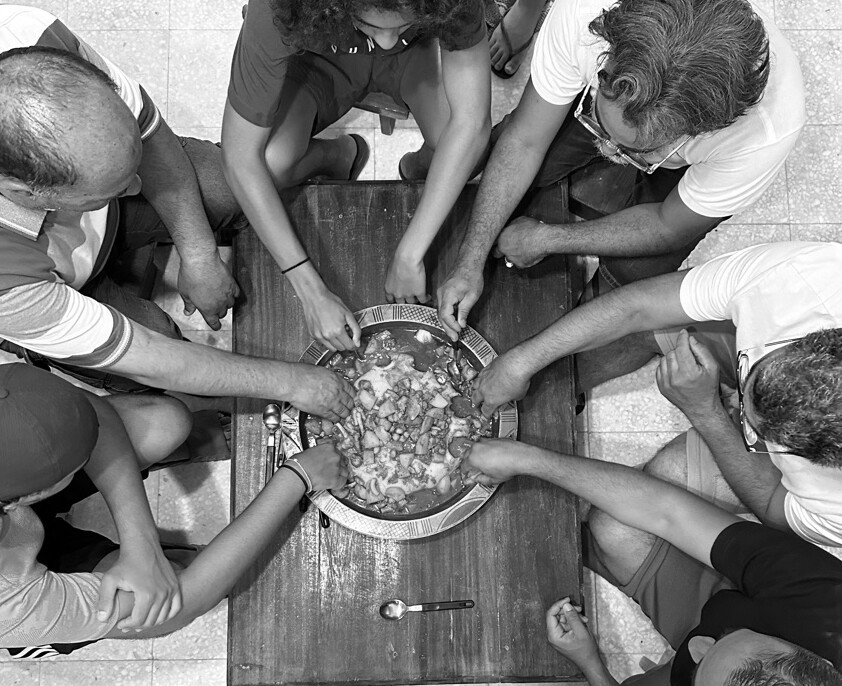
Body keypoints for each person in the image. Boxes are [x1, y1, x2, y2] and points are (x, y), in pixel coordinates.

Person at [0, 38, 352, 420]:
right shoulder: (6, 284)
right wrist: (296, 384)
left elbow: (150, 133)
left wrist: (199, 253)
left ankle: (339, 155)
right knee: (156, 350)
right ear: (21, 192)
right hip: (62, 285)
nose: (137, 189)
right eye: (112, 190)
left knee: (227, 185)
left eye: (130, 172)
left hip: (74, 233)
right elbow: (150, 355)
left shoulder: (34, 43)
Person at [438, 0, 804, 341]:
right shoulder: (581, 14)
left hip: (688, 158)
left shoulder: (763, 132)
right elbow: (525, 142)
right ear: (605, 64)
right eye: (601, 124)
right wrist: (470, 261)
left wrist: (550, 238)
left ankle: (573, 352)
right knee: (510, 159)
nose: (610, 153)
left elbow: (667, 224)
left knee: (636, 277)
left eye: (635, 151)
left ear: (699, 130)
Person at [469, 241, 842, 546]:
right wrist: (521, 363)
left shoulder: (834, 504)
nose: (739, 406)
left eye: (754, 431)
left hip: (755, 461)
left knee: (657, 483)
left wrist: (708, 413)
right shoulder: (806, 280)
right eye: (753, 371)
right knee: (643, 328)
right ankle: (565, 396)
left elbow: (777, 508)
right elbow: (640, 307)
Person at [0, 362, 346, 653]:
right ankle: (186, 558)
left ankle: (211, 435)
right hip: (23, 588)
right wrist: (296, 477)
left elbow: (94, 412)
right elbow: (180, 607)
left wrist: (142, 545)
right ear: (27, 497)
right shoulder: (9, 603)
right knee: (169, 593)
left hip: (16, 509)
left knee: (165, 421)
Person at [461, 437, 842, 686]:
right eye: (724, 639)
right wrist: (531, 460)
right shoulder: (823, 599)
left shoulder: (701, 651)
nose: (694, 647)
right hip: (729, 597)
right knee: (613, 526)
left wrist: (590, 663)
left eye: (700, 670)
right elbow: (667, 512)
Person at [222, 0, 492, 352]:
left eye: (399, 26)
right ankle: (339, 155)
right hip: (317, 64)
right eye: (371, 26)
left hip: (415, 58)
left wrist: (411, 252)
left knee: (463, 153)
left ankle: (417, 168)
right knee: (272, 164)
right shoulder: (277, 8)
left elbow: (472, 124)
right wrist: (310, 290)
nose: (384, 43)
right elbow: (240, 158)